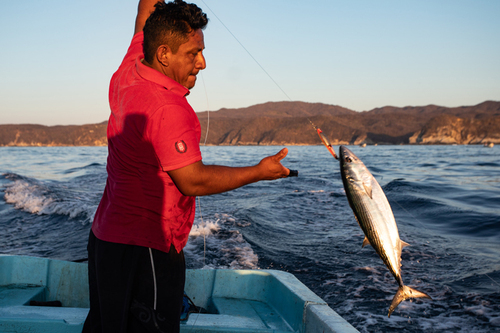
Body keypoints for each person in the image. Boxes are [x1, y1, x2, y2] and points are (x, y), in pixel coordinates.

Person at [84, 0, 292, 332]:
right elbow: (192, 181)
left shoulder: (130, 68)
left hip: (105, 238)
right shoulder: (168, 109)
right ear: (164, 54)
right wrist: (259, 171)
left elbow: (145, 13)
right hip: (147, 248)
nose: (203, 63)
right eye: (193, 53)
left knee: (105, 326)